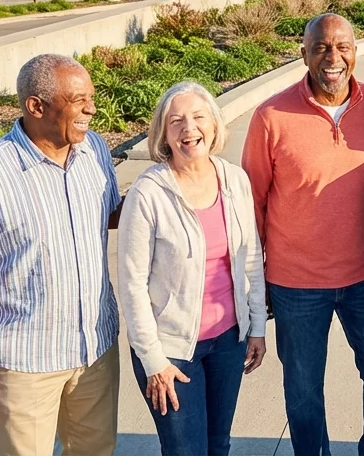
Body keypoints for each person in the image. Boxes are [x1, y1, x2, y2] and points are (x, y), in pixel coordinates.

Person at [0, 53, 122, 456]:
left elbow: (110, 214)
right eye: (78, 100)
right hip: (24, 362)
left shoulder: (95, 151)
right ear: (36, 106)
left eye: (91, 96)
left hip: (95, 350)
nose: (91, 108)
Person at [241, 13, 364, 456]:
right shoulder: (270, 116)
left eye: (342, 46)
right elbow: (250, 203)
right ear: (304, 54)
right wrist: (258, 283)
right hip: (296, 283)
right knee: (304, 392)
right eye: (321, 48)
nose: (333, 58)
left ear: (356, 50)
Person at [118, 81, 267, 456]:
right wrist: (152, 360)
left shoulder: (234, 179)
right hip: (171, 351)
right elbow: (132, 284)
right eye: (176, 121)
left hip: (228, 342)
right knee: (186, 450)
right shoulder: (149, 192)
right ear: (163, 135)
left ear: (214, 125)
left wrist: (257, 328)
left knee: (218, 444)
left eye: (199, 117)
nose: (189, 129)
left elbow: (250, 257)